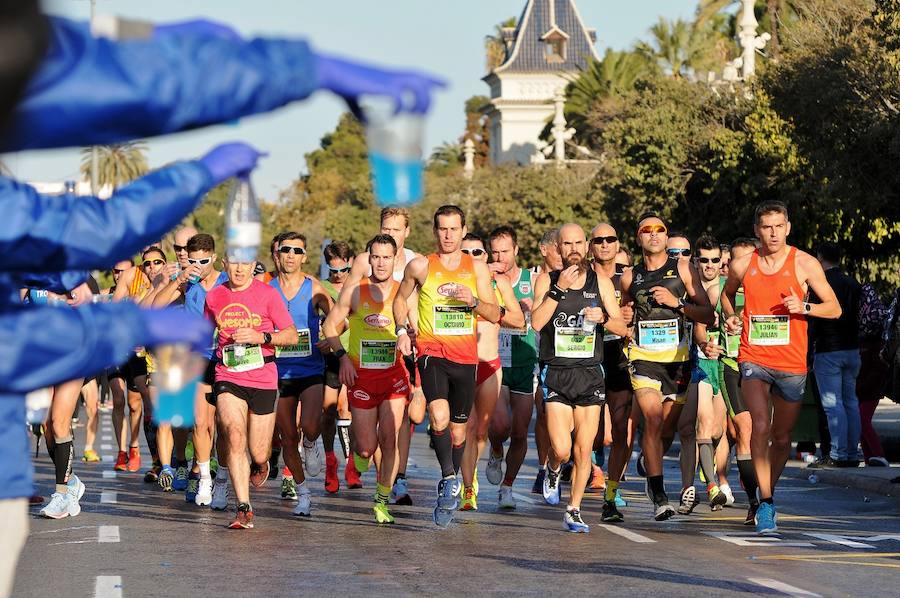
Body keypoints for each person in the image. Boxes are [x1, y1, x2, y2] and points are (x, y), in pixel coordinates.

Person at [722, 201, 841, 534]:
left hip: (791, 363)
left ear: (787, 227)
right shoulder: (743, 264)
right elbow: (727, 296)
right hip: (753, 357)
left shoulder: (804, 263)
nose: (772, 233)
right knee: (759, 426)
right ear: (757, 230)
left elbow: (834, 309)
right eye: (766, 227)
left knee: (782, 437)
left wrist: (803, 306)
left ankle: (762, 496)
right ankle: (769, 502)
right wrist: (731, 317)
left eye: (778, 226)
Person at [393, 205, 501, 526]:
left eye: (454, 229)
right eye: (442, 229)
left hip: (466, 359)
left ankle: (450, 480)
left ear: (463, 230)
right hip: (431, 352)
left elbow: (496, 314)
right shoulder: (421, 266)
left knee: (458, 431)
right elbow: (399, 299)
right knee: (437, 416)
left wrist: (474, 302)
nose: (448, 235)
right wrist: (401, 330)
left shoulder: (477, 269)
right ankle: (448, 478)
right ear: (435, 231)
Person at [532, 223, 627, 532]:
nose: (572, 248)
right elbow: (536, 322)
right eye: (566, 244)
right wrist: (557, 291)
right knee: (560, 448)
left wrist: (604, 318)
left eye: (577, 243)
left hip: (589, 373)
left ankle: (573, 508)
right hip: (557, 372)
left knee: (584, 449)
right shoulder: (546, 280)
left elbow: (622, 329)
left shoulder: (599, 281)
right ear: (557, 248)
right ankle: (554, 468)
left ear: (586, 246)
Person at [620, 214, 714, 521]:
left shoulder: (683, 269)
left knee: (667, 430)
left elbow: (708, 315)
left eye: (659, 229)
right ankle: (659, 493)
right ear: (639, 238)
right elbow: (623, 312)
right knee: (652, 417)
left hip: (678, 361)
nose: (654, 234)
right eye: (646, 230)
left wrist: (677, 304)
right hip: (643, 357)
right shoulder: (629, 277)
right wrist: (625, 320)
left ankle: (652, 462)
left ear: (666, 235)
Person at [205, 255, 299, 529]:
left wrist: (262, 337)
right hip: (227, 374)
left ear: (252, 264)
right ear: (224, 262)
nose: (239, 268)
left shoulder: (268, 294)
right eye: (234, 261)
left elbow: (291, 335)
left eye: (245, 262)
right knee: (233, 434)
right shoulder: (215, 297)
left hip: (262, 377)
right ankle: (243, 507)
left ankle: (260, 464)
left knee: (259, 452)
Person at [322, 234, 411, 523]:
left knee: (390, 438)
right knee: (365, 446)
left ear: (395, 259)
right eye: (376, 257)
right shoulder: (356, 291)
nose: (381, 263)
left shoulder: (403, 292)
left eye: (387, 257)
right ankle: (359, 459)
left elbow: (418, 327)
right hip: (361, 378)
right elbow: (330, 326)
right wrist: (343, 358)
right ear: (368, 259)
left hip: (394, 379)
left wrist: (410, 337)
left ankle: (382, 500)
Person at [348, 206, 425, 505]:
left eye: (396, 229)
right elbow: (348, 302)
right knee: (369, 440)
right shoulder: (365, 260)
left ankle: (397, 480)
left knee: (405, 418)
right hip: (366, 350)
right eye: (386, 228)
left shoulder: (416, 263)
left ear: (407, 232)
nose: (390, 233)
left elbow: (420, 303)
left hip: (403, 347)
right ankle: (366, 453)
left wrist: (416, 335)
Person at [154, 233, 229, 505]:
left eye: (204, 261)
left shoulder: (227, 281)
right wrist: (180, 279)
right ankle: (204, 479)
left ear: (215, 258)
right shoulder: (188, 283)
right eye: (194, 261)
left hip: (225, 359)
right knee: (200, 422)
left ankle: (220, 475)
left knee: (224, 424)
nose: (199, 266)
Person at [458, 233, 524, 511]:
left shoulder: (500, 283)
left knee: (484, 430)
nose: (472, 257)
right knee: (466, 428)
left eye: (478, 252)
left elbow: (519, 320)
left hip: (489, 364)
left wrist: (485, 308)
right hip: (459, 365)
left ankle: (481, 462)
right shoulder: (448, 285)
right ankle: (468, 486)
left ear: (485, 257)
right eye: (466, 252)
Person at [269, 232, 332, 517]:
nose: (291, 255)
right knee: (287, 436)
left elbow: (335, 318)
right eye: (286, 250)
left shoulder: (314, 287)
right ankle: (303, 493)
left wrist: (330, 337)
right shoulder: (267, 288)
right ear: (278, 254)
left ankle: (312, 443)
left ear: (304, 256)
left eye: (297, 250)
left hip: (310, 368)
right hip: (278, 371)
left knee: (310, 425)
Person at [486, 225, 539, 510]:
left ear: (516, 250)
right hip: (497, 361)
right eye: (495, 251)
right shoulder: (486, 280)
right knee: (500, 425)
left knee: (519, 432)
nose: (500, 256)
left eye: (505, 251)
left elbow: (545, 313)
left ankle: (507, 487)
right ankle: (495, 449)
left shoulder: (533, 278)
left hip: (525, 362)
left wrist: (533, 307)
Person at [588, 223, 633, 522]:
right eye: (599, 240)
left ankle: (611, 493)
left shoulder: (627, 280)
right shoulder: (581, 279)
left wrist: (632, 317)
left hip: (618, 357)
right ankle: (572, 471)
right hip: (586, 357)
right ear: (591, 245)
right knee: (590, 433)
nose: (605, 244)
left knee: (618, 432)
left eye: (610, 239)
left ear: (618, 244)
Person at [718, 238, 762, 525]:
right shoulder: (721, 289)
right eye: (738, 260)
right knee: (744, 433)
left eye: (750, 258)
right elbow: (700, 322)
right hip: (732, 366)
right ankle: (755, 502)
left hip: (764, 368)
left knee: (763, 436)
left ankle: (765, 491)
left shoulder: (769, 288)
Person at [808, 242, 863, 468]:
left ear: (820, 259)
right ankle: (851, 452)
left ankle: (838, 453)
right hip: (852, 348)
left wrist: (807, 351)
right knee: (851, 402)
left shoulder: (821, 284)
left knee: (833, 405)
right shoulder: (852, 283)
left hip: (828, 350)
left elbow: (814, 323)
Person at [320, 241, 362, 493]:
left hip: (353, 354)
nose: (338, 275)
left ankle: (350, 465)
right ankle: (329, 461)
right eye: (333, 269)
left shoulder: (359, 286)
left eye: (343, 269)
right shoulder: (321, 287)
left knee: (347, 410)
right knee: (328, 410)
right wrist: (323, 340)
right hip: (329, 356)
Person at [529, 228, 562, 493]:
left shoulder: (581, 277)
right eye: (558, 248)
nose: (563, 253)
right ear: (544, 250)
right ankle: (543, 468)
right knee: (544, 414)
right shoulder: (538, 279)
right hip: (541, 355)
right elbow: (536, 322)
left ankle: (561, 462)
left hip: (576, 357)